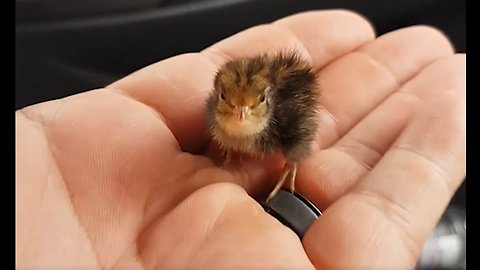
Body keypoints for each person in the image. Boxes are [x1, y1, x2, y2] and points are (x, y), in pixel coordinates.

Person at [15, 10, 465, 269]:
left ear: (265, 102)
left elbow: (298, 128)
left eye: (250, 104)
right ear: (218, 95)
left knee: (289, 146)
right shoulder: (221, 112)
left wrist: (292, 164)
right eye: (229, 100)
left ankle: (289, 167)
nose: (239, 111)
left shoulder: (279, 114)